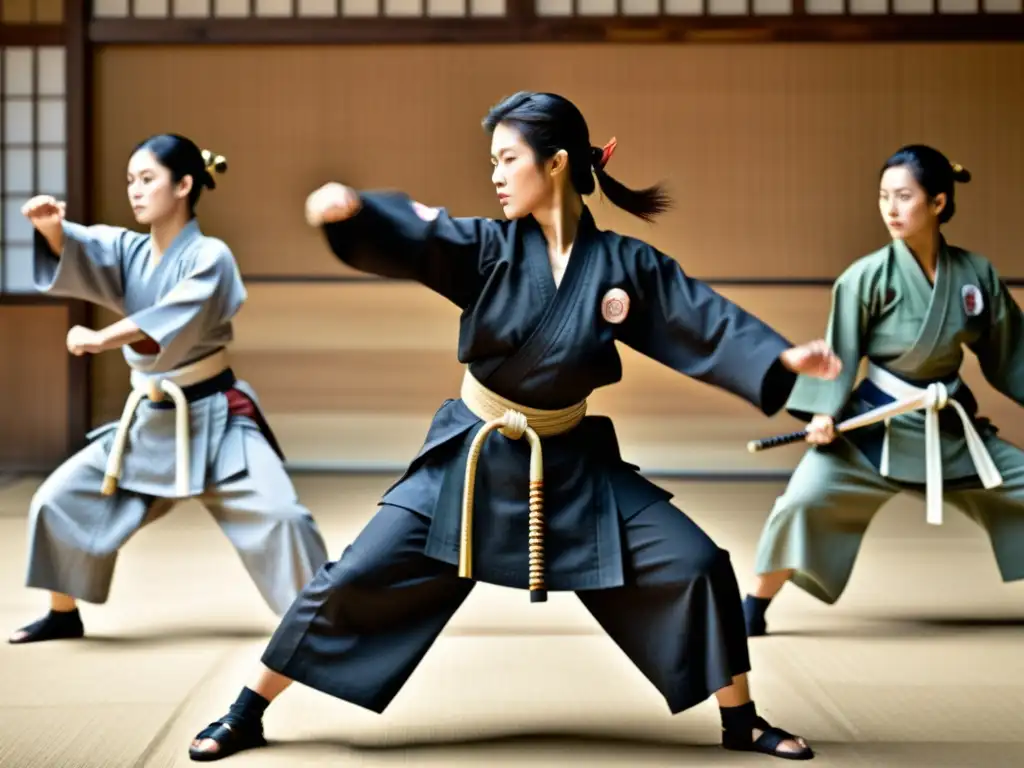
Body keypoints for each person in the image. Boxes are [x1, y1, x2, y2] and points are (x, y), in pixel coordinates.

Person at [188, 92, 840, 763]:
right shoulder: (487, 248)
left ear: (555, 163)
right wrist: (356, 215)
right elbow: (420, 232)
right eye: (492, 161)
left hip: (574, 466)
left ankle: (741, 722)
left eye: (507, 160)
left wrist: (776, 358)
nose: (495, 175)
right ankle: (248, 709)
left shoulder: (624, 267)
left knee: (697, 564)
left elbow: (698, 317)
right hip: (470, 461)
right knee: (353, 576)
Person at [9, 134, 330, 645]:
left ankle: (322, 627)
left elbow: (175, 313)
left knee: (283, 517)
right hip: (150, 421)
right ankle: (62, 613)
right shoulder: (129, 249)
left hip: (218, 417)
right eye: (131, 181)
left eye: (147, 179)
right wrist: (50, 228)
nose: (135, 191)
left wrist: (101, 338)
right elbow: (80, 245)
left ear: (183, 185)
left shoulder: (211, 255)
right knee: (57, 499)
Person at [743, 144, 1024, 638]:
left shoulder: (976, 276)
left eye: (904, 197)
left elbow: (1011, 354)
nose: (891, 209)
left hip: (948, 430)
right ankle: (753, 606)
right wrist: (821, 413)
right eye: (883, 197)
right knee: (803, 501)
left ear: (938, 203)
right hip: (874, 430)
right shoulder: (865, 278)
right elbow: (840, 356)